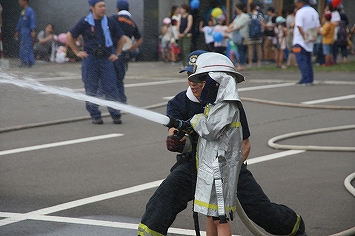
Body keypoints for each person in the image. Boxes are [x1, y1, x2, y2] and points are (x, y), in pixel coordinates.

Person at [138, 50, 307, 236]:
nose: (193, 82)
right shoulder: (178, 103)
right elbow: (175, 134)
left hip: (227, 165)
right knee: (163, 199)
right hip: (191, 165)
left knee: (260, 210)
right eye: (189, 76)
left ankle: (293, 227)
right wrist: (177, 141)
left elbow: (244, 144)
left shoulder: (229, 103)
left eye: (199, 78)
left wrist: (229, 175)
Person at [66, 0, 126, 124]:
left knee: (111, 88)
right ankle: (95, 114)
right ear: (92, 8)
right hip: (91, 59)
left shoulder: (110, 22)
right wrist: (77, 52)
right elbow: (69, 36)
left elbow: (122, 38)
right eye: (100, 6)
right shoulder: (85, 22)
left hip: (106, 59)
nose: (103, 8)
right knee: (91, 88)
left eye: (104, 6)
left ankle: (115, 114)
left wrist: (117, 54)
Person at [111, 0, 143, 104]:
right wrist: (131, 48)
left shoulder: (113, 19)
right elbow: (140, 39)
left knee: (108, 78)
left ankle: (110, 101)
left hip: (112, 52)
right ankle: (122, 100)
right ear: (128, 9)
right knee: (119, 79)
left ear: (117, 9)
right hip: (124, 53)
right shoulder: (132, 22)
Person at [293, 0, 320, 85]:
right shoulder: (314, 12)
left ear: (301, 2)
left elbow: (299, 26)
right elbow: (317, 26)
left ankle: (305, 78)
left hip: (299, 40)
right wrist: (313, 36)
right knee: (308, 60)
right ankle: (310, 78)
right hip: (310, 39)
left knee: (301, 59)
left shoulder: (300, 12)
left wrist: (304, 36)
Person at [226, 3, 249, 71]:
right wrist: (228, 28)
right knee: (239, 50)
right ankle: (241, 63)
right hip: (237, 36)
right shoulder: (238, 16)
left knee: (241, 50)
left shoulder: (245, 16)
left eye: (237, 9)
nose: (236, 10)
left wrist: (229, 30)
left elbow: (239, 26)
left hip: (242, 35)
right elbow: (233, 23)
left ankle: (242, 64)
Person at [14, 0, 36, 67]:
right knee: (22, 47)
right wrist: (17, 31)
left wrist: (33, 31)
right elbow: (20, 22)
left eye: (20, 1)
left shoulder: (30, 11)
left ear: (25, 1)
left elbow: (32, 22)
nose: (19, 2)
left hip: (27, 31)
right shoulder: (23, 11)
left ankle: (29, 62)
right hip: (22, 32)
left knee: (27, 46)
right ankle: (23, 61)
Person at [246, 2, 264, 68]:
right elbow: (262, 24)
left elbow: (247, 25)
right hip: (258, 35)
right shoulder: (259, 14)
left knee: (250, 49)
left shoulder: (248, 15)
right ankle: (259, 63)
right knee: (259, 48)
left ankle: (250, 63)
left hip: (250, 35)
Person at [177, 3, 193, 68]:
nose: (181, 10)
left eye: (182, 9)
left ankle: (187, 64)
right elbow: (178, 26)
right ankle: (183, 64)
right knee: (182, 50)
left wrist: (184, 33)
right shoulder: (180, 17)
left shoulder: (189, 16)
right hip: (181, 35)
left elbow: (189, 26)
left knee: (186, 49)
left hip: (187, 35)